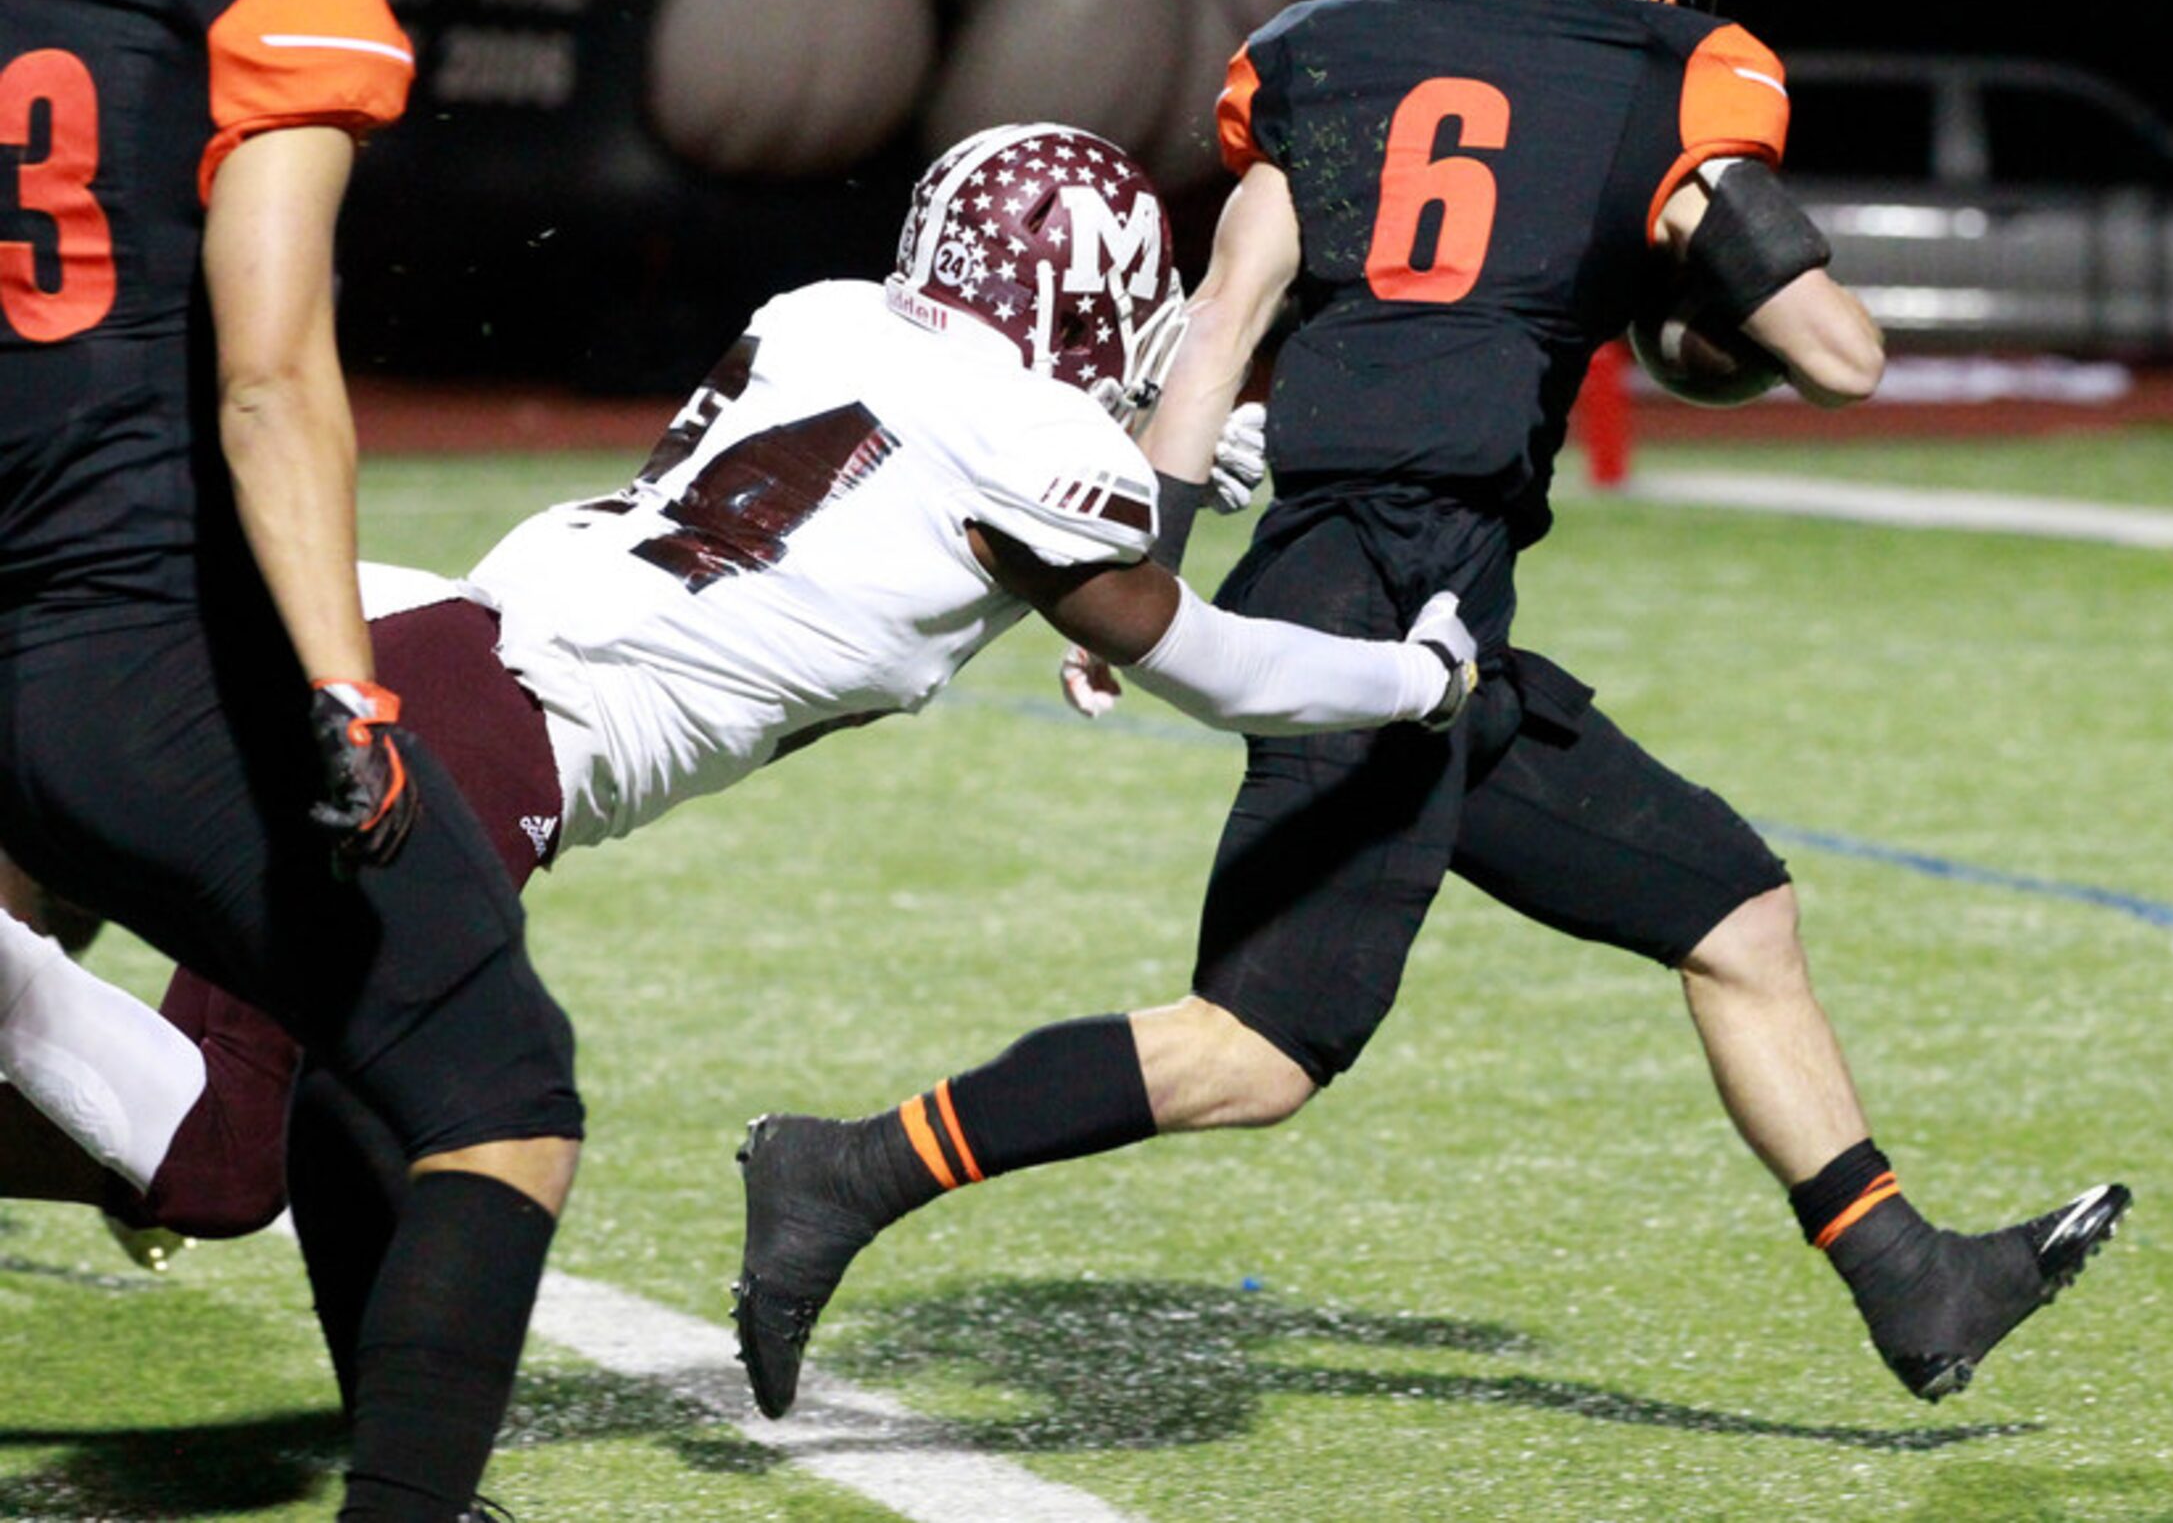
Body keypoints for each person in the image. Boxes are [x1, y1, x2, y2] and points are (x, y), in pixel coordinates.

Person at [733, 0, 2130, 1422]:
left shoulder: (1325, 64)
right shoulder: (1662, 80)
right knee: (1250, 1055)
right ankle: (843, 1169)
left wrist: (1151, 554)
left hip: (1392, 593)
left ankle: (1913, 1281)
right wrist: (1709, 292)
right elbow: (1841, 356)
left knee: (1734, 911)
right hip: (1384, 611)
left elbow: (1222, 322)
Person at [0, 118, 1478, 1366]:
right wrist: (1412, 679)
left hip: (419, 623)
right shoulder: (1041, 458)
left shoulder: (823, 313)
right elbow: (1212, 665)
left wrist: (1141, 462)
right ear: (1092, 305)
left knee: (327, 1067)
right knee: (212, 1158)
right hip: (484, 725)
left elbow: (926, 512)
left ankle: (398, 1449)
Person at [0, 0, 582, 1515]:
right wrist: (346, 684)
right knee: (497, 1076)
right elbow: (269, 369)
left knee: (328, 1012)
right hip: (114, 646)